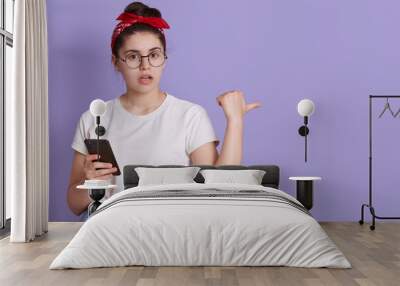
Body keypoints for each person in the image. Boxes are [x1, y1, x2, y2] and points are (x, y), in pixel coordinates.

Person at [67, 2, 261, 218]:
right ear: (116, 62)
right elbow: (74, 204)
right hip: (108, 234)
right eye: (133, 56)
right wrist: (92, 183)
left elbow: (218, 189)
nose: (145, 65)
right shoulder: (93, 119)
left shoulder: (190, 116)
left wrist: (235, 121)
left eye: (154, 55)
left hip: (170, 234)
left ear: (164, 59)